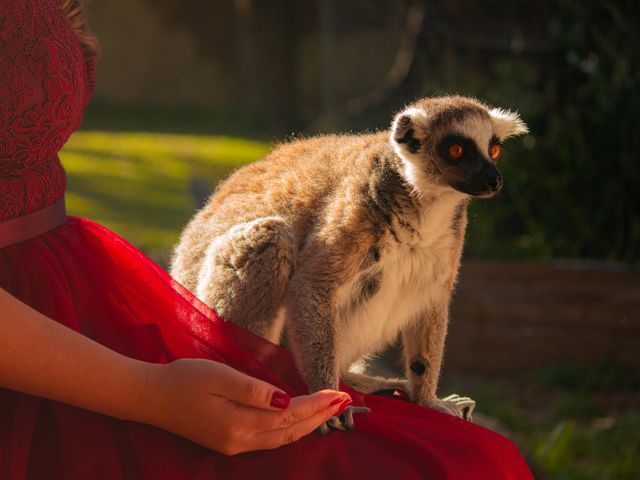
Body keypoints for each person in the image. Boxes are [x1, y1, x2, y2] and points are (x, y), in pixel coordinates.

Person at [0, 0, 534, 478]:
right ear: (412, 142)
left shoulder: (447, 214)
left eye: (491, 154)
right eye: (460, 155)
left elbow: (431, 303)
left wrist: (424, 395)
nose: (486, 173)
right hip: (182, 328)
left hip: (69, 284)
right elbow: (312, 289)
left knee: (478, 455)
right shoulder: (368, 196)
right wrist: (156, 394)